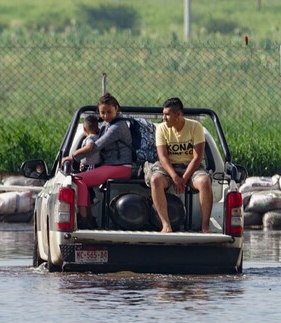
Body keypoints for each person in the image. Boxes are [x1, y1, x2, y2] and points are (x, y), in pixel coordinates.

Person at [62, 93, 133, 229]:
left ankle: (85, 218)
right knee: (80, 179)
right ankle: (88, 215)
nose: (106, 116)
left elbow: (95, 146)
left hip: (121, 167)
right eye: (102, 113)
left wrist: (72, 157)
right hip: (113, 166)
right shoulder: (107, 124)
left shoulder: (117, 127)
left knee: (77, 179)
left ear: (116, 109)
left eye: (109, 112)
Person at [146, 97, 212, 233]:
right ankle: (166, 225)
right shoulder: (161, 129)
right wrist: (175, 177)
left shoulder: (195, 127)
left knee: (204, 181)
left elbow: (198, 157)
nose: (164, 118)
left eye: (167, 115)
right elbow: (163, 157)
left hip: (191, 167)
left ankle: (205, 227)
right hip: (169, 167)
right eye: (163, 114)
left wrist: (185, 177)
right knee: (155, 180)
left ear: (178, 114)